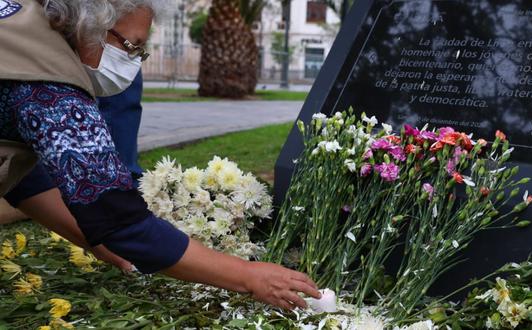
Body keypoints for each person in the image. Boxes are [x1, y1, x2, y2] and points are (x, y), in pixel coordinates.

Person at [0, 0, 320, 310]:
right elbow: (117, 217)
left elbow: (27, 180)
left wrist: (96, 240)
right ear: (90, 24)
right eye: (131, 45)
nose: (134, 59)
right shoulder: (51, 90)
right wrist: (249, 276)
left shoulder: (19, 22)